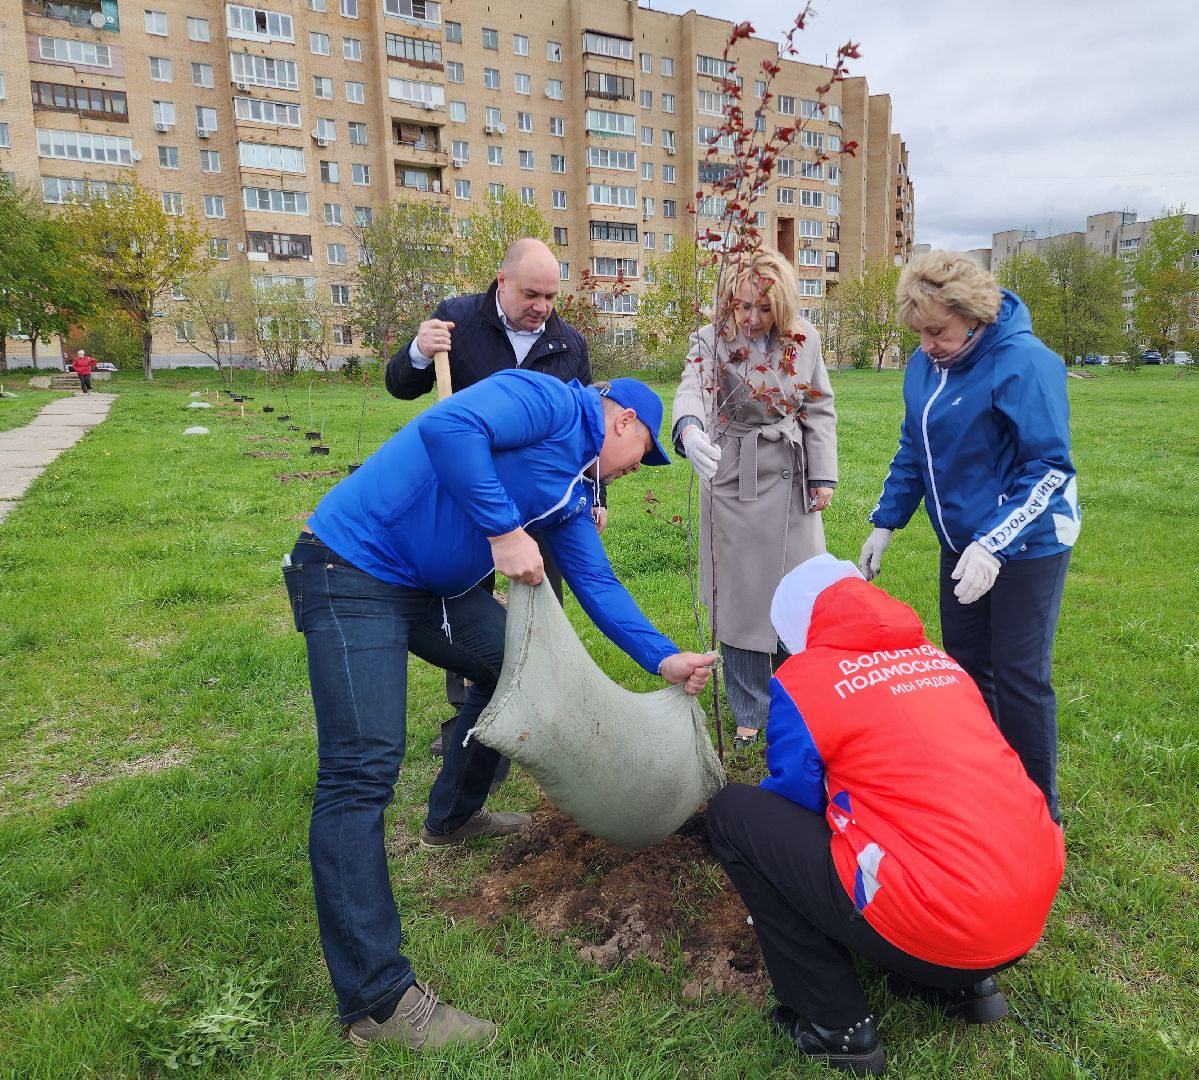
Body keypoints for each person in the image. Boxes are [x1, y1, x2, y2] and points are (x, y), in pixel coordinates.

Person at [281, 369, 714, 1052]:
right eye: (646, 452)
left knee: (507, 670)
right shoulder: (548, 403)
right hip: (351, 567)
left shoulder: (572, 493)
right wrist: (503, 531)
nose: (641, 469)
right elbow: (447, 426)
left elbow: (598, 583)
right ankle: (378, 1001)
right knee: (360, 771)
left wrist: (663, 659)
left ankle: (453, 817)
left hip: (431, 588)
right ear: (623, 420)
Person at [707, 554, 1065, 1077]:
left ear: (800, 624)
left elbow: (791, 800)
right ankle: (967, 985)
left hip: (943, 923)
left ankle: (835, 1024)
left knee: (735, 815)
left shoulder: (806, 677)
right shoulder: (939, 661)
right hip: (1028, 902)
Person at [858, 251, 1079, 822]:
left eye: (938, 331)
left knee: (1019, 675)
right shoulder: (925, 365)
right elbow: (915, 448)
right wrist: (887, 520)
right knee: (966, 666)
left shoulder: (1025, 362)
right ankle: (986, 786)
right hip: (961, 543)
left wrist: (993, 543)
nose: (927, 344)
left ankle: (1037, 813)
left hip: (1028, 544)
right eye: (920, 333)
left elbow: (1049, 470)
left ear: (973, 314)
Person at [386, 237, 599, 758]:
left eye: (551, 297)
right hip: (466, 501)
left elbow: (589, 430)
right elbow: (399, 385)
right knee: (467, 606)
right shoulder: (457, 323)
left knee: (539, 595)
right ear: (502, 282)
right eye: (531, 294)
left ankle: (536, 705)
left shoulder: (568, 344)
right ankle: (471, 717)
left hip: (538, 503)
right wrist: (418, 351)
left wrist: (595, 493)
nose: (542, 308)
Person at [672, 246, 838, 748]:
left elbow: (819, 408)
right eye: (742, 306)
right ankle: (749, 709)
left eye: (763, 308)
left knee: (798, 595)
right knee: (741, 601)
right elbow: (691, 390)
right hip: (735, 477)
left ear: (782, 305)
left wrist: (822, 475)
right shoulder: (710, 340)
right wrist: (690, 429)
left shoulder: (803, 340)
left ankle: (798, 699)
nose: (751, 317)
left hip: (790, 480)